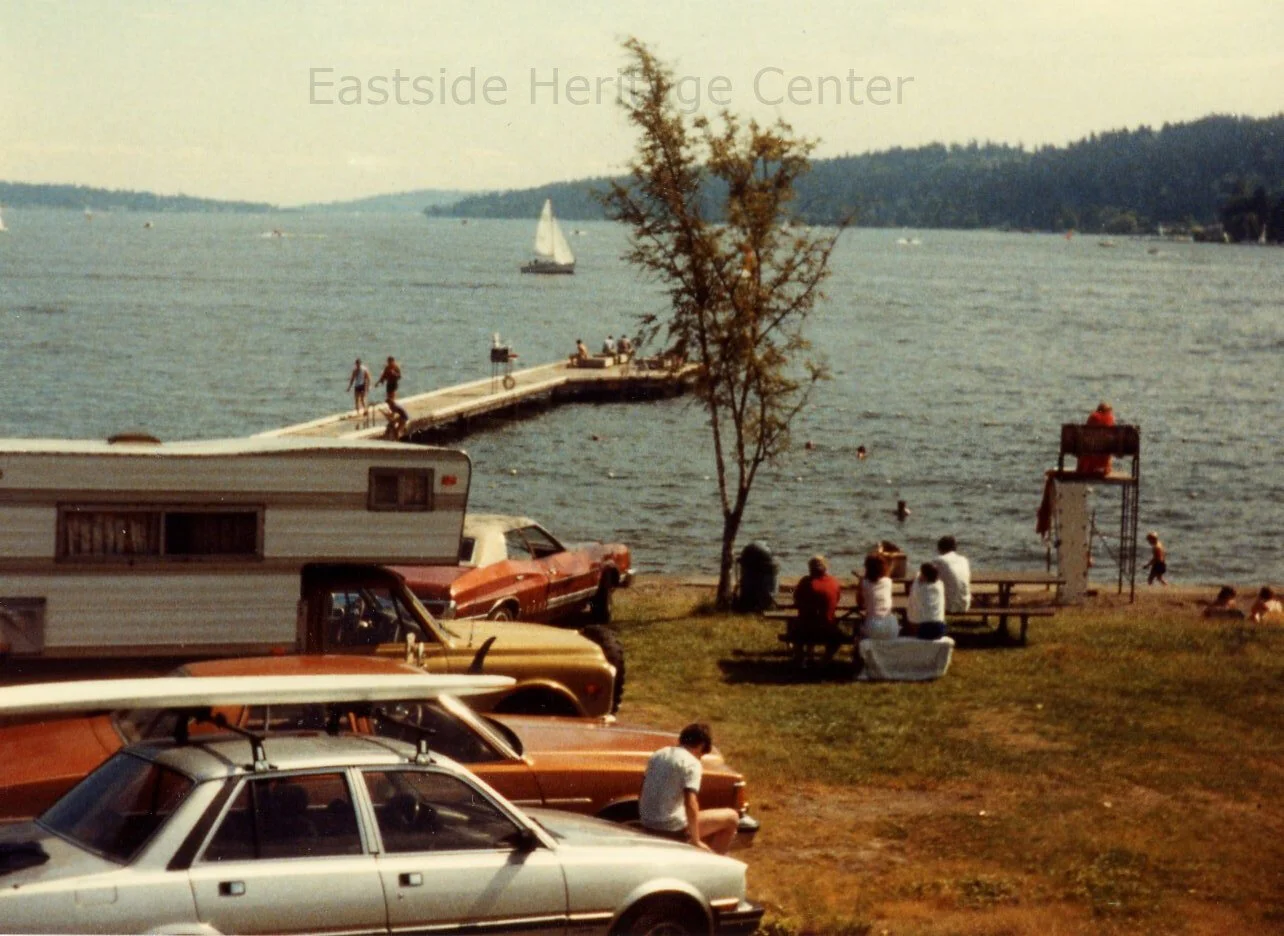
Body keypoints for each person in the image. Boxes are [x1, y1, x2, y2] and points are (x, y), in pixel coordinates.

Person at [638, 723, 739, 854]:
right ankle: (714, 862)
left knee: (698, 818)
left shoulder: (658, 754)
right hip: (671, 829)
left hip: (646, 823)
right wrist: (696, 840)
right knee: (732, 818)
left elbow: (642, 789)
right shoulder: (692, 763)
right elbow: (690, 803)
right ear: (701, 745)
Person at [791, 555, 845, 663]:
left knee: (794, 625)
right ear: (826, 567)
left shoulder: (805, 582)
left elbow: (797, 600)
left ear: (810, 568)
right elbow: (837, 598)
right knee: (840, 635)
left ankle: (800, 658)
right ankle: (826, 658)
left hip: (806, 629)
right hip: (828, 629)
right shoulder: (833, 582)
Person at [858, 553, 899, 640]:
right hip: (890, 625)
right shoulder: (888, 581)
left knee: (859, 632)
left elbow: (860, 603)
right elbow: (888, 572)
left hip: (873, 625)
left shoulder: (864, 583)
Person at [907, 563, 947, 640]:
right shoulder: (940, 586)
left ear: (924, 576)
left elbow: (916, 579)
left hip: (923, 629)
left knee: (911, 613)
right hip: (940, 628)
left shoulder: (918, 588)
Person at [932, 536, 972, 613]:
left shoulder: (939, 560)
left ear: (939, 548)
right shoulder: (964, 560)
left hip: (949, 605)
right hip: (965, 604)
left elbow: (926, 578)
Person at [1077, 402, 1116, 475]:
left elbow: (1086, 436)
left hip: (1089, 459)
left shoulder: (1092, 417)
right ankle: (1106, 468)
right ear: (1109, 411)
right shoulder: (1110, 419)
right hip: (1104, 461)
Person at [375, 355, 409, 427]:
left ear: (393, 361)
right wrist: (378, 382)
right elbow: (383, 376)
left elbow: (399, 376)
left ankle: (393, 412)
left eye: (390, 362)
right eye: (388, 362)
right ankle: (391, 411)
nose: (389, 363)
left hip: (394, 383)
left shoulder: (396, 367)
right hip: (389, 384)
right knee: (388, 398)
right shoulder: (387, 368)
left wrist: (394, 373)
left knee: (392, 398)